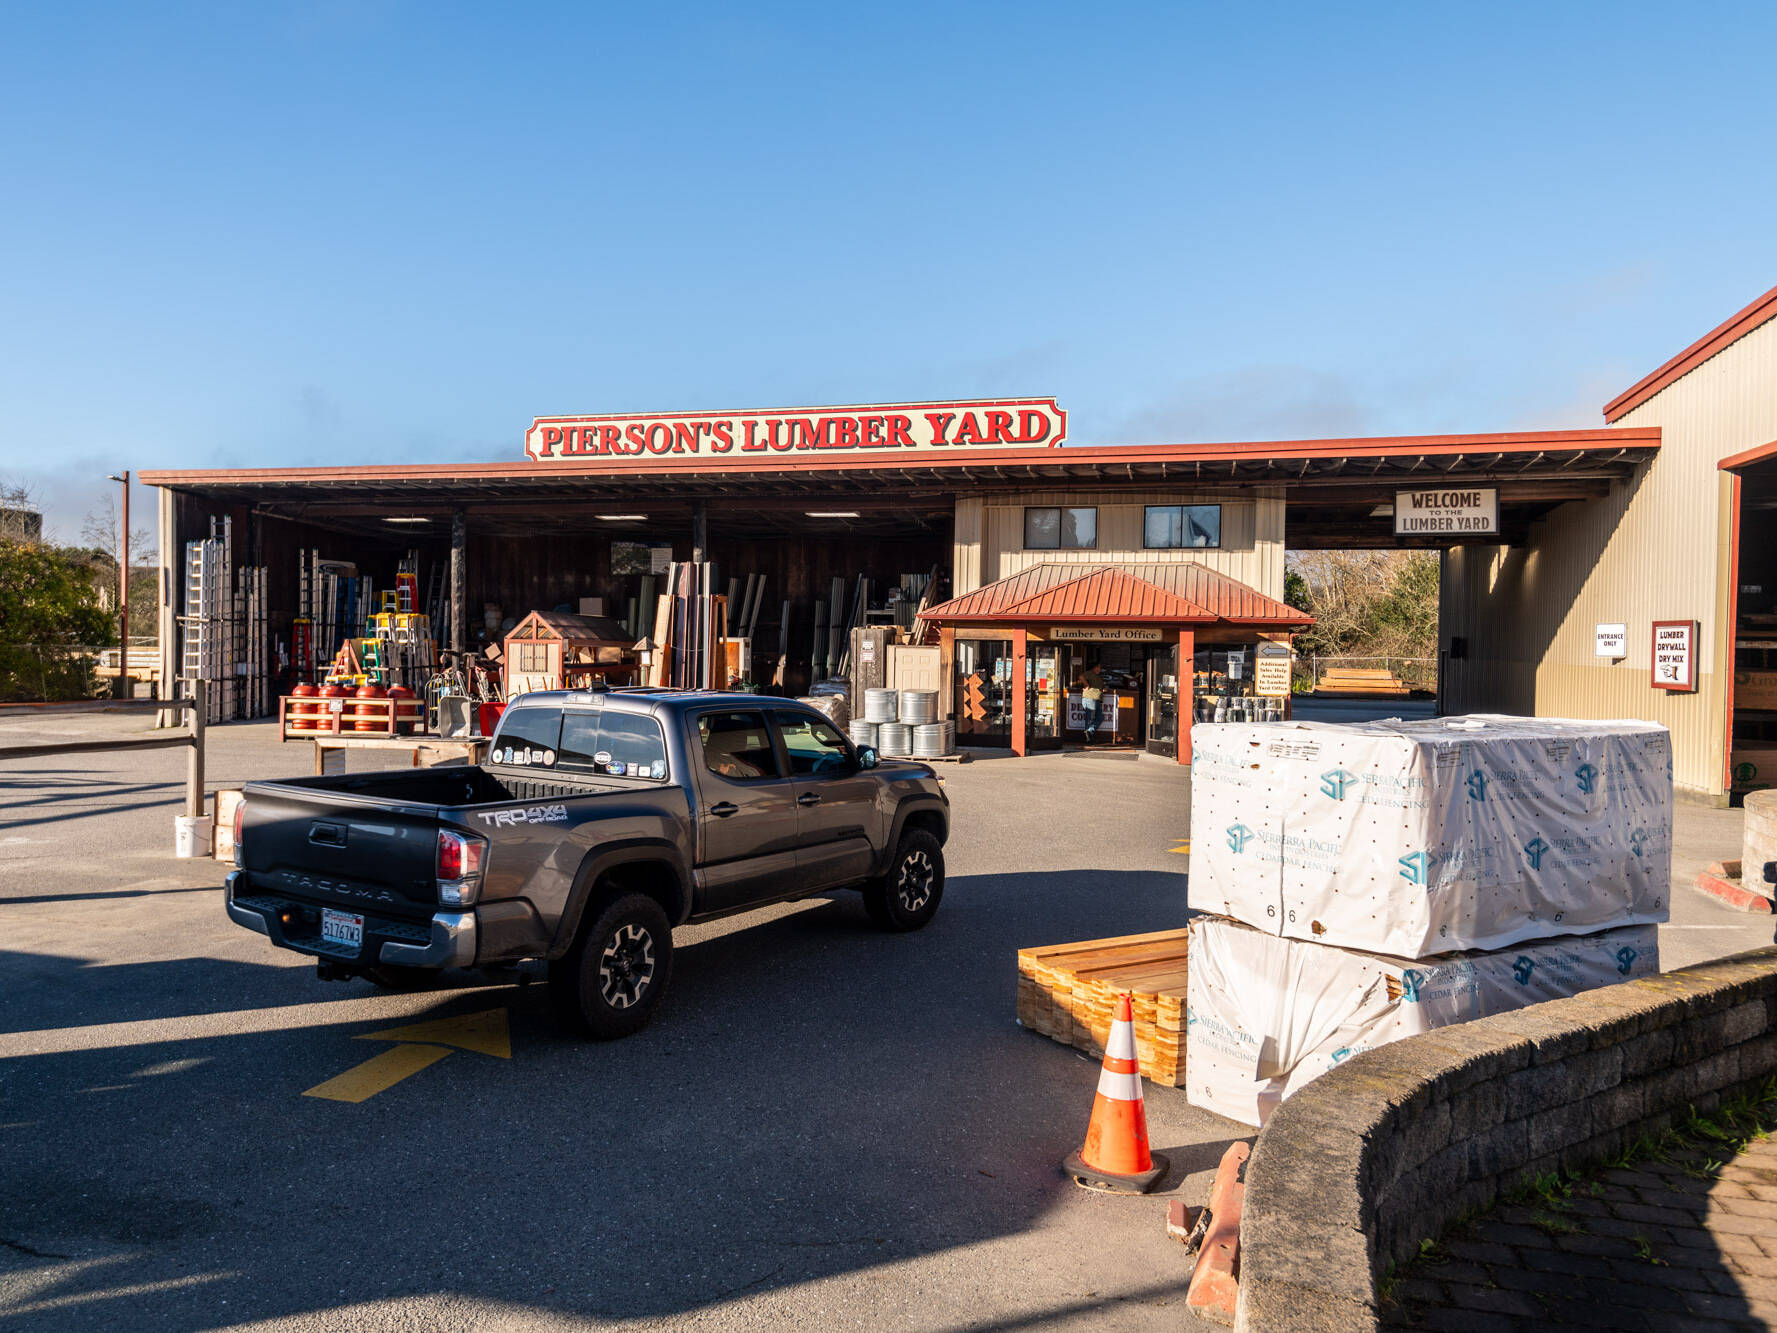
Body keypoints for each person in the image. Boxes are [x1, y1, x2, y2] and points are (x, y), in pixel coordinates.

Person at [1080, 664, 1104, 742]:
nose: (1099, 669)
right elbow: (1081, 677)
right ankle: (1088, 737)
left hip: (1096, 699)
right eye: (1098, 667)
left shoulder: (1098, 676)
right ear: (1093, 667)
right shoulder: (1090, 673)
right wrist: (1086, 685)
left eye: (1100, 668)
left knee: (1100, 717)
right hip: (1090, 698)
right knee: (1089, 718)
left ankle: (1089, 731)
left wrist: (1102, 689)